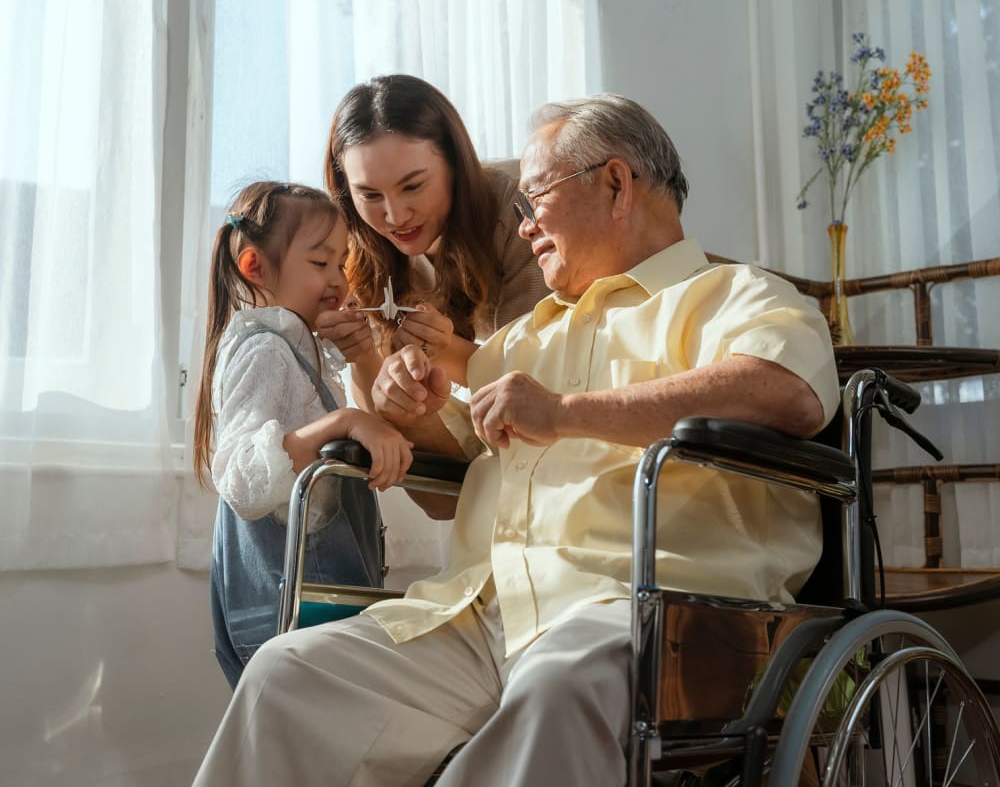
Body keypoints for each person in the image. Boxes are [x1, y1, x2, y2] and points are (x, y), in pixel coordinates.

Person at [192, 96, 839, 785]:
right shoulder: (522, 340)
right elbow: (449, 478)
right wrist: (401, 402)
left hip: (642, 610)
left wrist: (564, 411)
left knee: (557, 691)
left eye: (534, 201)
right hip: (478, 614)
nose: (523, 226)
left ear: (617, 184)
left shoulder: (737, 295)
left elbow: (785, 393)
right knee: (287, 674)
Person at [192, 181, 414, 690]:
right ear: (255, 267)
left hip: (317, 605)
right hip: (288, 610)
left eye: (341, 264)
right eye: (321, 264)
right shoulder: (263, 351)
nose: (338, 279)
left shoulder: (294, 352)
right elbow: (245, 481)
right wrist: (344, 422)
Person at [315, 74, 552, 409]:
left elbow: (538, 379)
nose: (395, 216)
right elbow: (383, 411)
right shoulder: (359, 246)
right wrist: (362, 354)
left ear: (456, 164)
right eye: (369, 195)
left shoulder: (523, 211)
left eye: (412, 186)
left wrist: (446, 350)